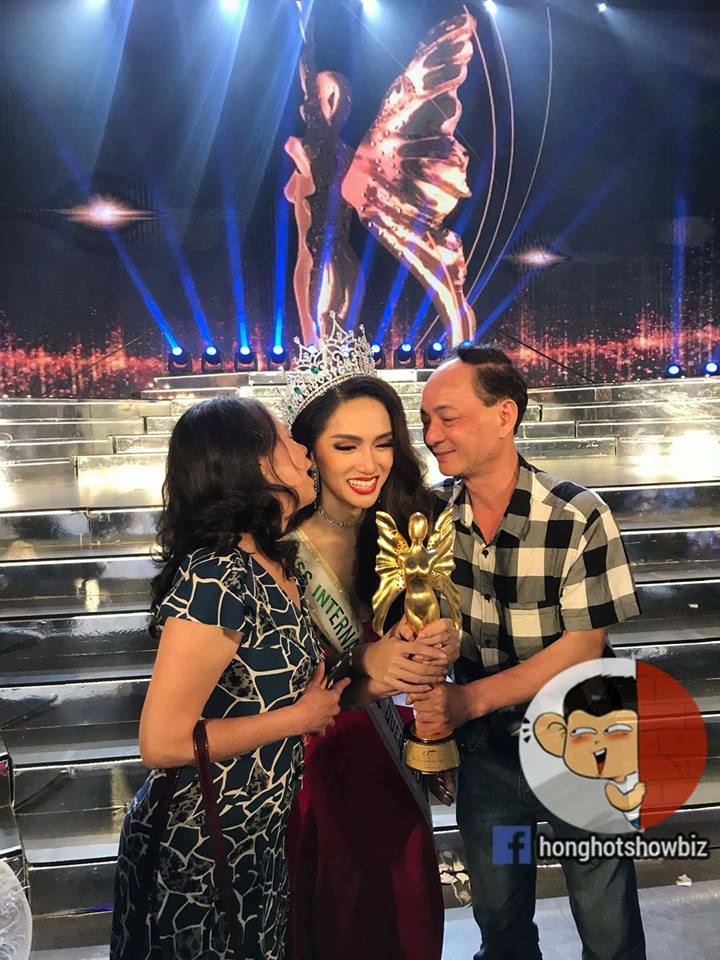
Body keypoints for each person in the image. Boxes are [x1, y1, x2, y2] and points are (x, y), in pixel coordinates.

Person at [410, 346, 647, 960]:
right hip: (486, 749)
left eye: (447, 417)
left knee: (606, 918)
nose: (432, 435)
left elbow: (582, 648)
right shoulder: (431, 518)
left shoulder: (577, 514)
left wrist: (468, 701)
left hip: (584, 735)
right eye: (426, 420)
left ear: (504, 415)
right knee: (498, 914)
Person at [110, 396, 349, 960]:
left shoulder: (275, 563)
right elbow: (161, 743)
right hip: (196, 849)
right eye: (286, 439)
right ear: (250, 462)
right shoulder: (217, 575)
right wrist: (299, 718)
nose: (303, 450)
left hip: (256, 839)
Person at [282, 322, 458, 960]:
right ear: (309, 451)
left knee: (402, 916)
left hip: (394, 753)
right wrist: (363, 665)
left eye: (383, 444)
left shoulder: (412, 518)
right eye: (346, 445)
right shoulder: (278, 544)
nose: (370, 463)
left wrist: (442, 642)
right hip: (313, 763)